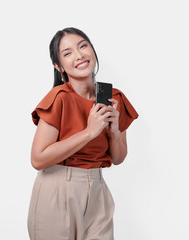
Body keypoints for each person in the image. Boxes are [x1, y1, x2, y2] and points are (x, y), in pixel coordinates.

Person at [27, 27, 139, 240]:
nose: (79, 55)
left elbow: (118, 158)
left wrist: (115, 131)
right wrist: (89, 132)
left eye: (83, 46)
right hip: (57, 191)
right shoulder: (59, 98)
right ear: (59, 66)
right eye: (67, 53)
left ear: (93, 50)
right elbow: (37, 159)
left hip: (98, 192)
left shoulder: (114, 97)